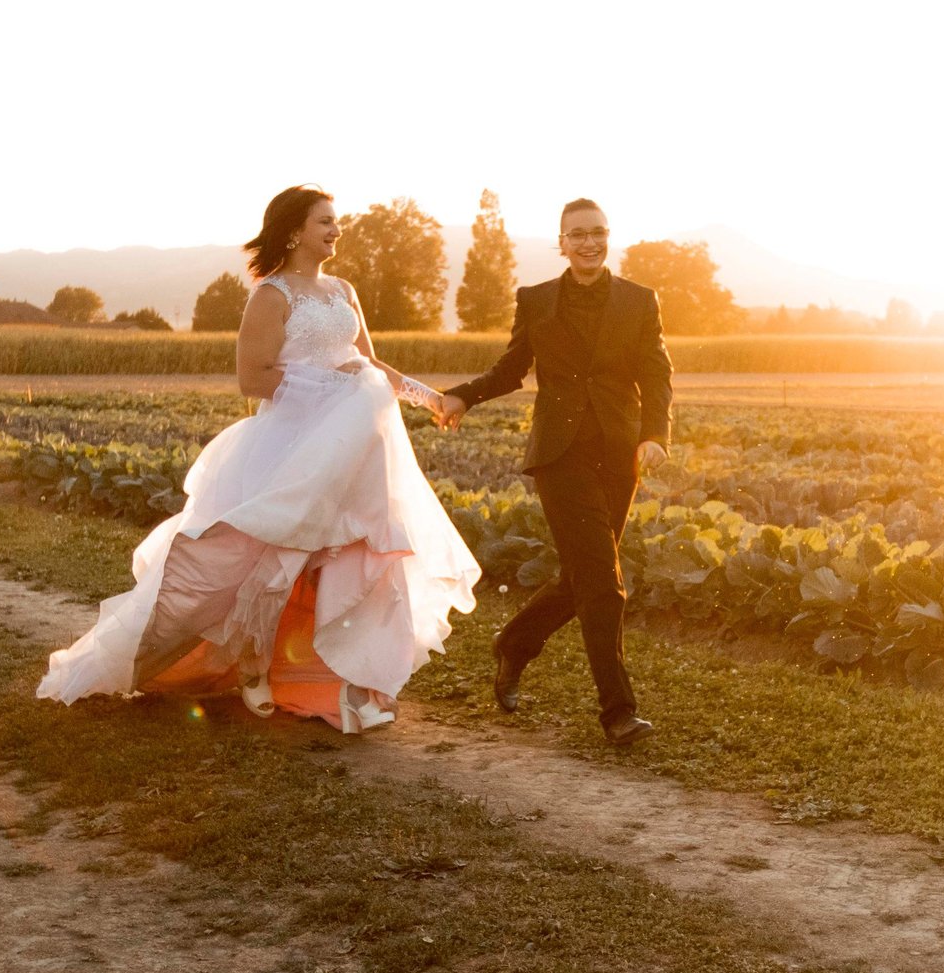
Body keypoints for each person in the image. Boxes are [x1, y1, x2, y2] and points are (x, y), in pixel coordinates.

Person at [36, 185, 480, 732]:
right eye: (325, 222)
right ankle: (252, 668)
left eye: (335, 221)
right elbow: (255, 378)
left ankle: (341, 678)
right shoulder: (270, 296)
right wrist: (330, 384)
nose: (336, 230)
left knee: (341, 560)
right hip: (290, 445)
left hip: (355, 450)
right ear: (294, 231)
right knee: (270, 558)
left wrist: (429, 397)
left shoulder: (344, 290)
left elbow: (369, 365)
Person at [439, 197, 672, 746]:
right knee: (605, 584)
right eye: (576, 235)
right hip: (560, 456)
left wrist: (655, 433)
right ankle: (618, 713)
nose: (588, 242)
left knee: (583, 578)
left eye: (597, 232)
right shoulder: (536, 300)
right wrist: (464, 396)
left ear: (608, 236)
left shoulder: (640, 301)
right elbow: (512, 369)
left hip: (619, 455)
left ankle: (515, 643)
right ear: (561, 243)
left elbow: (656, 373)